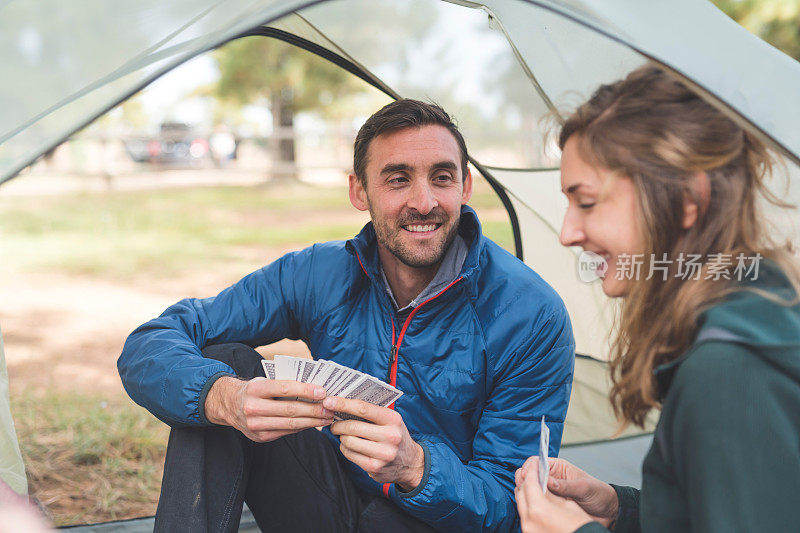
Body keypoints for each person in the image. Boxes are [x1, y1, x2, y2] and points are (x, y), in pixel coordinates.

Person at [118, 99, 575, 532]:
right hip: (331, 502)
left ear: (465, 186)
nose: (424, 202)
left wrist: (416, 467)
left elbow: (512, 507)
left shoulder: (531, 314)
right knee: (223, 367)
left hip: (441, 522)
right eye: (398, 179)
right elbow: (152, 341)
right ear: (359, 190)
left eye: (441, 177)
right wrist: (223, 399)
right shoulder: (319, 272)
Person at [514, 65, 800, 532]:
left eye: (585, 201)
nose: (567, 232)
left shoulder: (730, 372)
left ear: (687, 197)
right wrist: (616, 509)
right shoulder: (757, 306)